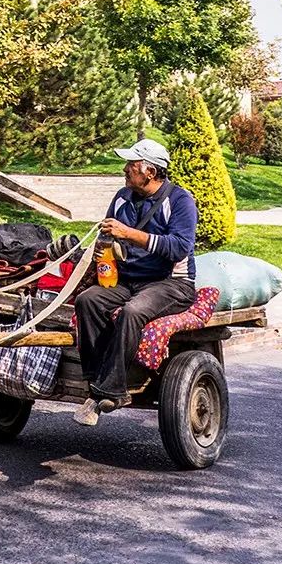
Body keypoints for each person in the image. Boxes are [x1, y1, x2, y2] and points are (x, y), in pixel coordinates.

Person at [74, 138, 197, 426]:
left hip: (171, 283)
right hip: (128, 279)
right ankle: (94, 383)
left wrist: (129, 234)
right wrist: (102, 247)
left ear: (150, 172)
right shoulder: (122, 197)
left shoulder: (180, 201)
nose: (125, 169)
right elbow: (107, 237)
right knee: (88, 301)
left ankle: (113, 390)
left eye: (131, 164)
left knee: (132, 312)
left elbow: (179, 247)